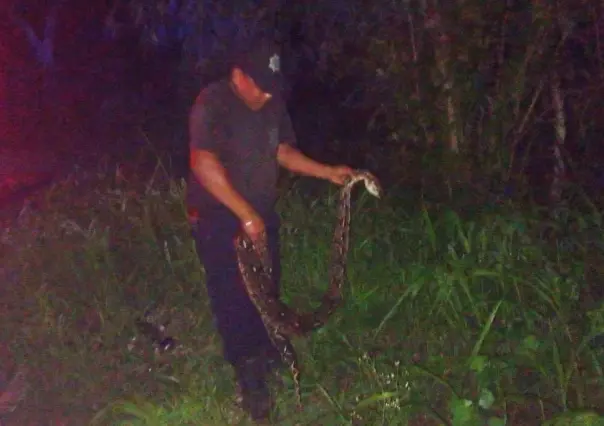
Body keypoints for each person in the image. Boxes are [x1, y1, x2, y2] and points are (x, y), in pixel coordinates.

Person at [186, 35, 354, 422]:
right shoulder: (212, 102)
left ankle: (265, 349)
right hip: (219, 215)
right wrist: (244, 214)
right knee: (233, 292)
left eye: (272, 87)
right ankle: (247, 371)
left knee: (267, 286)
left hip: (261, 211)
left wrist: (328, 172)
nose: (267, 96)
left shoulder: (271, 102)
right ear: (238, 74)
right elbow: (203, 163)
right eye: (260, 86)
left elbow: (283, 151)